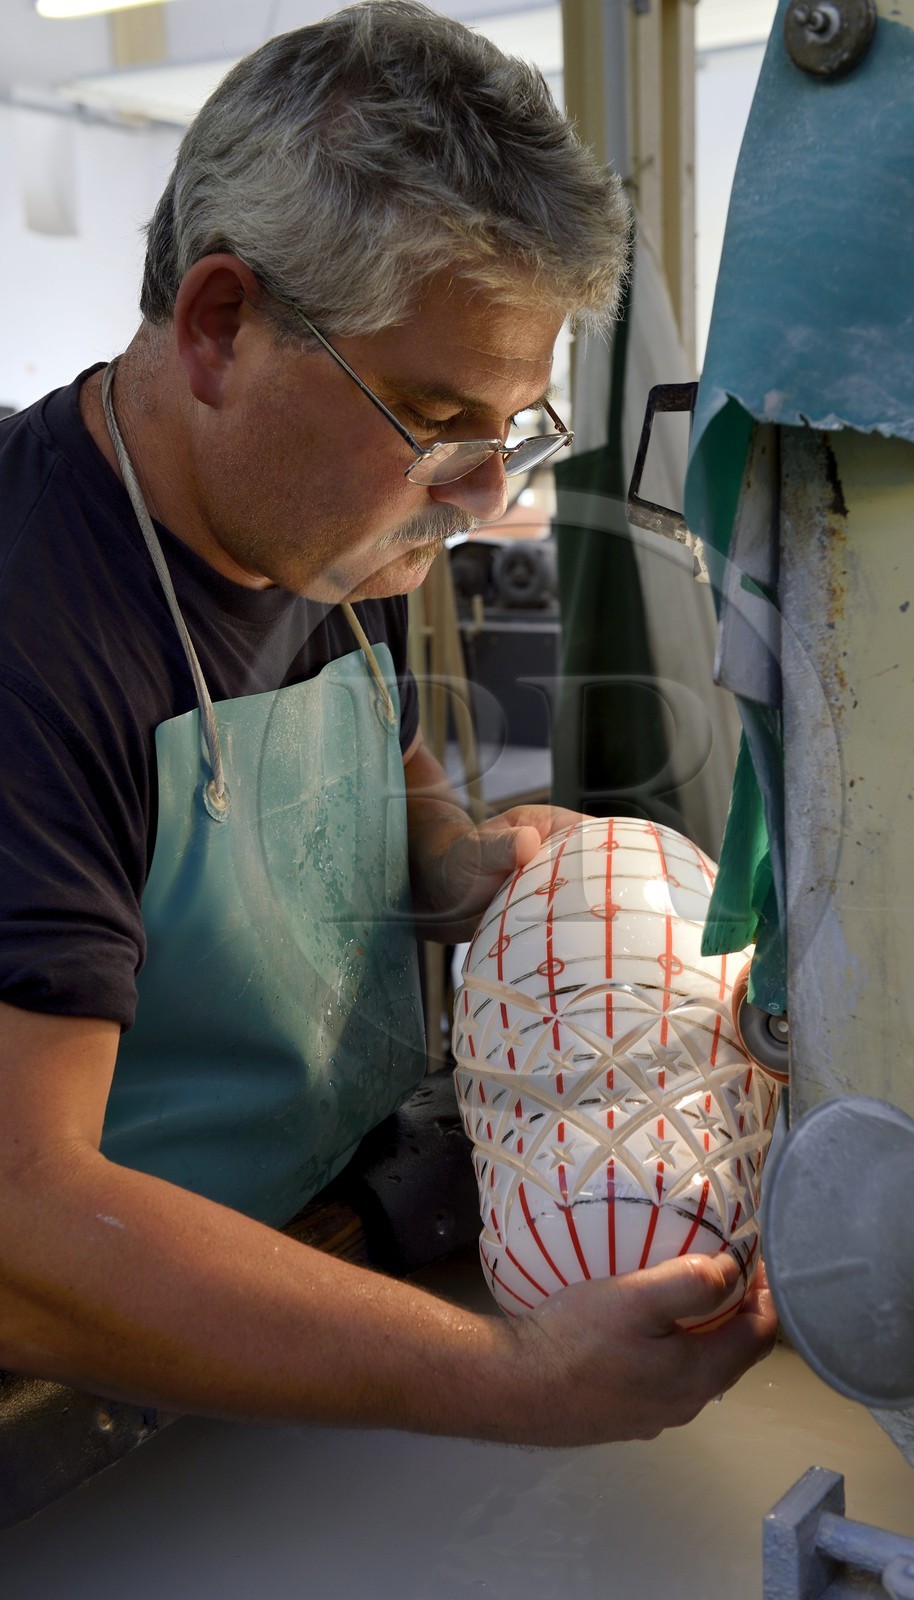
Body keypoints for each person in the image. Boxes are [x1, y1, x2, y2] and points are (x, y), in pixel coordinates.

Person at [0, 0, 775, 1447]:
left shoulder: (296, 519)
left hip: (332, 1254)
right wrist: (509, 1382)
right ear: (221, 325)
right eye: (436, 422)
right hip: (96, 1381)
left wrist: (438, 841)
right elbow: (20, 1226)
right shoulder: (37, 622)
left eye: (514, 435)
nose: (486, 499)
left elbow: (352, 724)